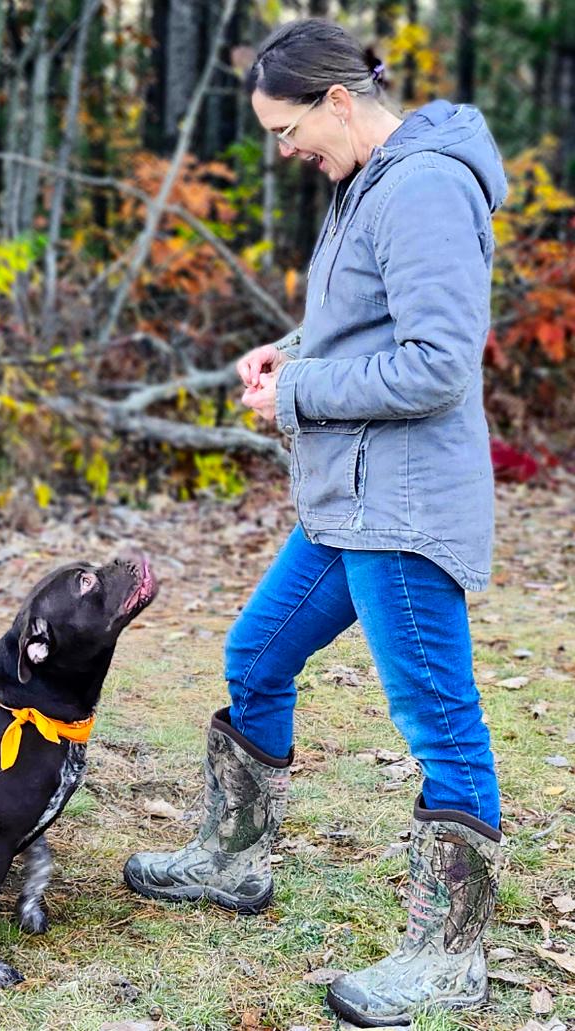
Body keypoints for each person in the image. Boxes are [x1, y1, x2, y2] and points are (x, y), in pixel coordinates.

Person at [123, 18, 509, 1029]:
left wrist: (298, 388)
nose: (285, 152)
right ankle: (234, 858)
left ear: (338, 100)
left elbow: (435, 364)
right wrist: (285, 349)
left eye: (288, 130)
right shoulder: (366, 184)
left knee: (437, 718)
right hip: (348, 495)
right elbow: (364, 325)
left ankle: (447, 956)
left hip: (404, 505)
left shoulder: (422, 186)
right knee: (256, 652)